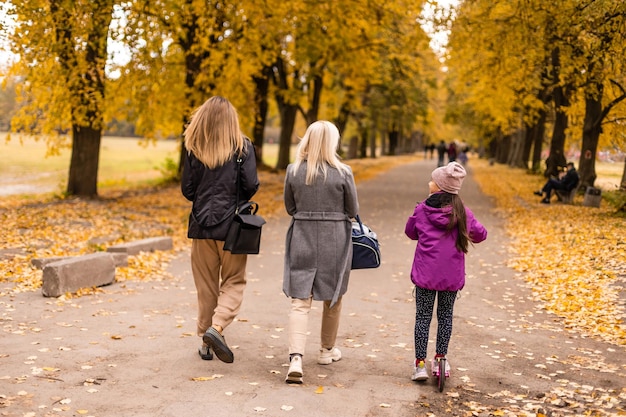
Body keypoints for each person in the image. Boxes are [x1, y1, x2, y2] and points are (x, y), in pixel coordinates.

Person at [181, 96, 260, 363]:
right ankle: (217, 327)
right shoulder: (243, 148)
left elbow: (188, 190)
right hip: (234, 227)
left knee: (206, 287)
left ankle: (205, 340)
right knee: (234, 281)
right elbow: (251, 185)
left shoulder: (193, 147)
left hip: (201, 226)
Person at [282, 120, 359, 384]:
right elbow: (352, 209)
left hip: (302, 235)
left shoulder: (293, 171)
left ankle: (295, 358)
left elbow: (290, 208)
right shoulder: (344, 172)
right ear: (332, 143)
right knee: (333, 295)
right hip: (335, 238)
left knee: (300, 300)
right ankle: (327, 350)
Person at [404, 161, 487, 381]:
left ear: (439, 187)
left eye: (432, 180)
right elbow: (481, 234)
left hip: (425, 276)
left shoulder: (422, 209)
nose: (429, 182)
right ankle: (440, 359)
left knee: (422, 317)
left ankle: (420, 364)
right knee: (445, 317)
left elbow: (410, 232)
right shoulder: (462, 212)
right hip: (451, 277)